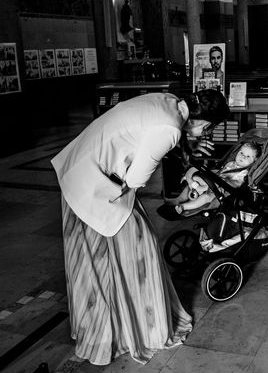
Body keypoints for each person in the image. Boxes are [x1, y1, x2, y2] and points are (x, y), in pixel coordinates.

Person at [50, 89, 230, 366]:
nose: (204, 134)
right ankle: (141, 326)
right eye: (208, 129)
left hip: (82, 166)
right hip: (94, 183)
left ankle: (105, 325)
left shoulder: (168, 100)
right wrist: (179, 197)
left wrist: (182, 152)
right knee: (139, 249)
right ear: (205, 123)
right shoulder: (170, 127)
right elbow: (136, 178)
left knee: (96, 258)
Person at [165, 141, 262, 216]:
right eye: (241, 153)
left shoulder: (244, 172)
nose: (243, 157)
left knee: (206, 198)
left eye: (248, 156)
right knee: (194, 181)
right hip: (213, 183)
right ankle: (179, 199)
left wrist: (226, 181)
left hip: (222, 192)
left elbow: (237, 184)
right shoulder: (230, 164)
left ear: (254, 161)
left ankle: (183, 206)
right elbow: (218, 172)